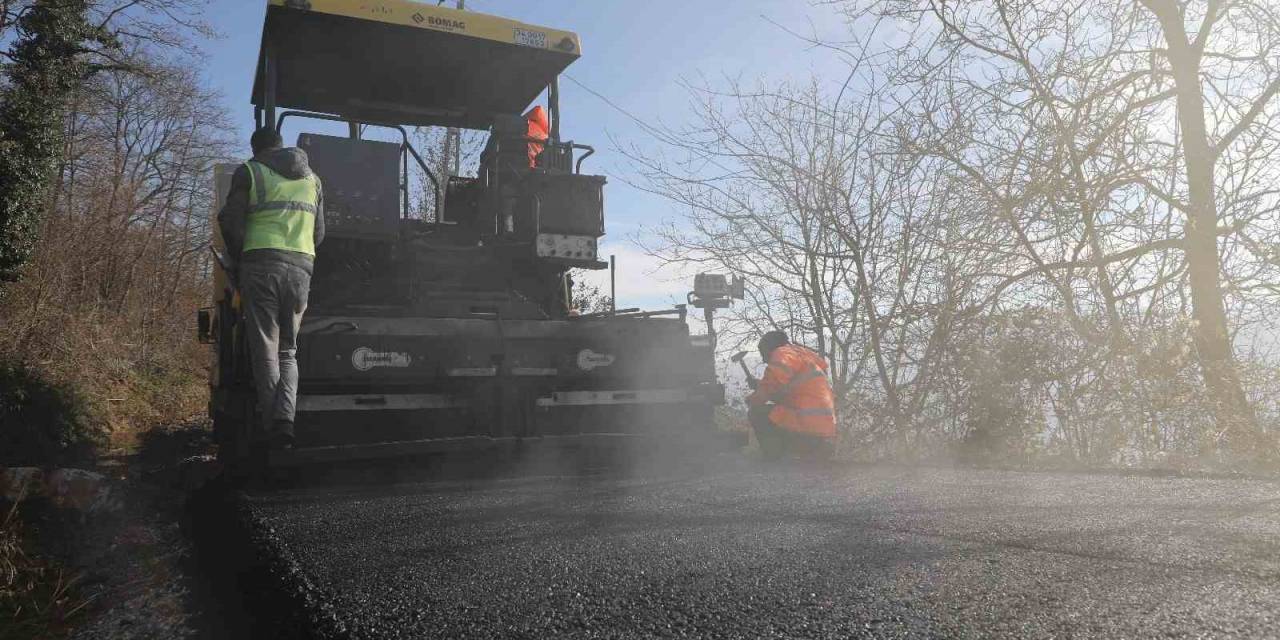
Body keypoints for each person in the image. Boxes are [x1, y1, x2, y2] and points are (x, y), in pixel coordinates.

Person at [217, 127, 324, 450]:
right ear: (280, 145)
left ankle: (273, 428)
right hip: (301, 267)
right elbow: (319, 233)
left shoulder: (250, 170)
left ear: (256, 148)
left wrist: (239, 259)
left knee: (265, 347)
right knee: (288, 351)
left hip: (261, 265)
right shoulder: (313, 179)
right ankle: (285, 421)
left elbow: (229, 220)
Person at [745, 330, 837, 461]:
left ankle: (774, 459)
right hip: (823, 428)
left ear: (770, 347)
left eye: (763, 354)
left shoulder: (782, 354)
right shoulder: (801, 357)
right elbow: (784, 392)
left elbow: (770, 387)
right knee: (774, 410)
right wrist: (759, 385)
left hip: (806, 426)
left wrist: (752, 399)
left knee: (757, 412)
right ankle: (814, 449)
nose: (764, 360)